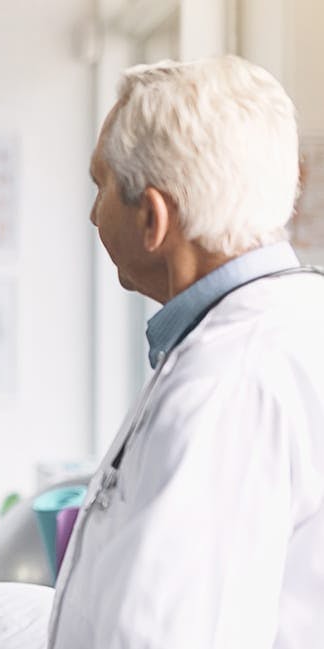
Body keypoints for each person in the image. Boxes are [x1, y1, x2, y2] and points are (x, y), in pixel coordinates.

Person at [50, 54, 324, 649]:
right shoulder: (297, 322)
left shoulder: (227, 382)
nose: (91, 213)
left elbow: (162, 635)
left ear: (153, 218)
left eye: (100, 186)